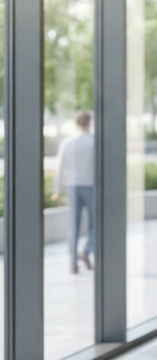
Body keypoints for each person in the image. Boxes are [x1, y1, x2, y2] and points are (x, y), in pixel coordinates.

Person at [52, 111, 96, 274]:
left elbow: (60, 168)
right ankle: (86, 251)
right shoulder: (94, 142)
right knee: (95, 223)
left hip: (72, 187)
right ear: (89, 123)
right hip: (90, 186)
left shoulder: (67, 142)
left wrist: (56, 190)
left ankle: (72, 262)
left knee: (73, 225)